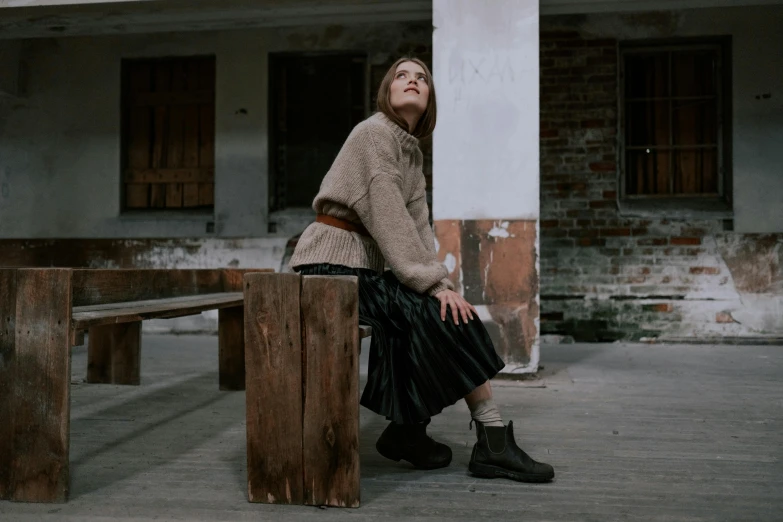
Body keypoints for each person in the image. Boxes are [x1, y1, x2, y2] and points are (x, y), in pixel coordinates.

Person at [290, 57, 554, 483]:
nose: (412, 81)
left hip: (363, 269)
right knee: (441, 313)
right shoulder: (374, 134)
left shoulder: (409, 152)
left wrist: (439, 285)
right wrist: (434, 287)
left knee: (434, 311)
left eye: (422, 78)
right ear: (387, 92)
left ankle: (407, 433)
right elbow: (390, 220)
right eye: (401, 76)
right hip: (328, 265)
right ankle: (491, 439)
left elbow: (417, 230)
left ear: (429, 97)